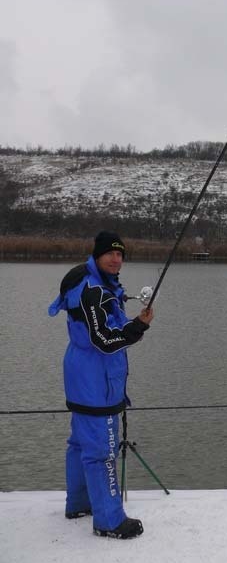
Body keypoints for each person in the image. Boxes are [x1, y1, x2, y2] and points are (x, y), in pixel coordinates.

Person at [48, 231, 154, 539]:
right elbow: (104, 341)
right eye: (110, 253)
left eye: (120, 254)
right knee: (102, 449)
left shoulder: (100, 284)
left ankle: (79, 503)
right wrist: (139, 328)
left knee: (81, 442)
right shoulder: (91, 289)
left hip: (86, 376)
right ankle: (109, 520)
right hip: (95, 381)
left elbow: (109, 326)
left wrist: (134, 322)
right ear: (97, 255)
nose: (116, 258)